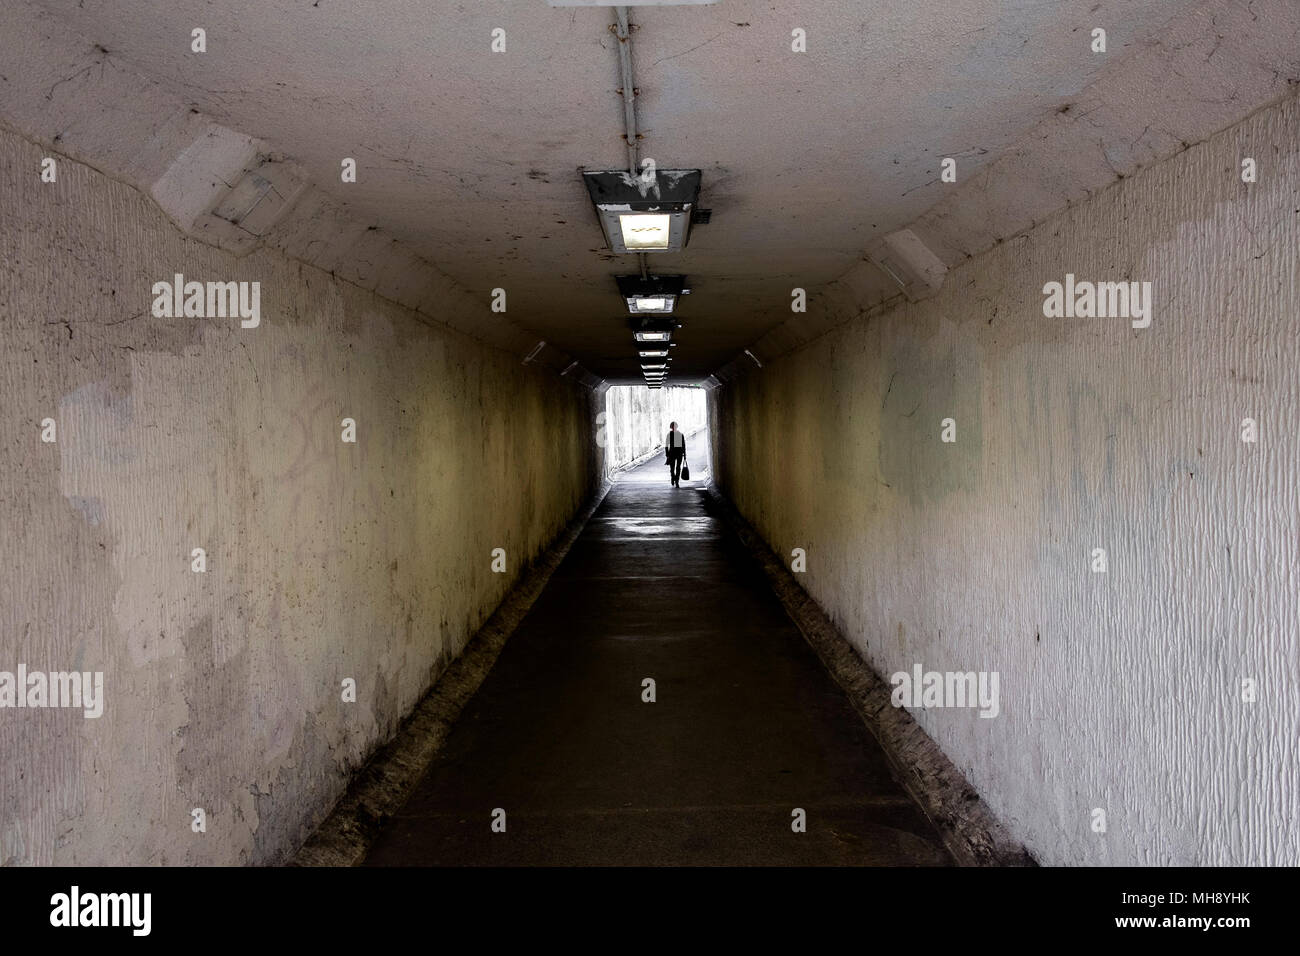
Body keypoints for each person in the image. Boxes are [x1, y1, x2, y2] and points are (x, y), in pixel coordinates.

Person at [665, 422, 686, 487]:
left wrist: (667, 454)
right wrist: (684, 454)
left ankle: (675, 479)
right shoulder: (679, 434)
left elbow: (666, 445)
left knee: (675, 468)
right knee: (676, 468)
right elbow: (683, 445)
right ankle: (675, 479)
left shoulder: (672, 434)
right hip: (676, 453)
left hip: (674, 453)